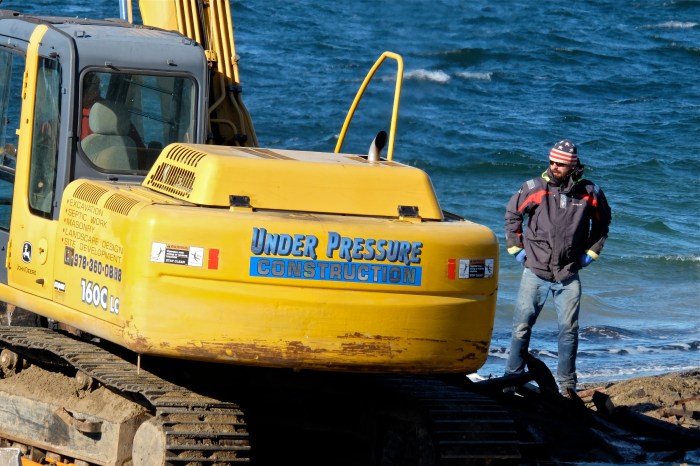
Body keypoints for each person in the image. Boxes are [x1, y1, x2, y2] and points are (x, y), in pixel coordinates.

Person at [504, 139, 612, 397]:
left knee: (569, 330)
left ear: (572, 166)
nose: (554, 167)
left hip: (568, 273)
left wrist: (590, 254)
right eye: (552, 162)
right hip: (535, 270)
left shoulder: (590, 192)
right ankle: (511, 380)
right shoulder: (534, 188)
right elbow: (512, 216)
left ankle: (567, 386)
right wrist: (517, 250)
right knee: (521, 327)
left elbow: (602, 224)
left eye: (560, 164)